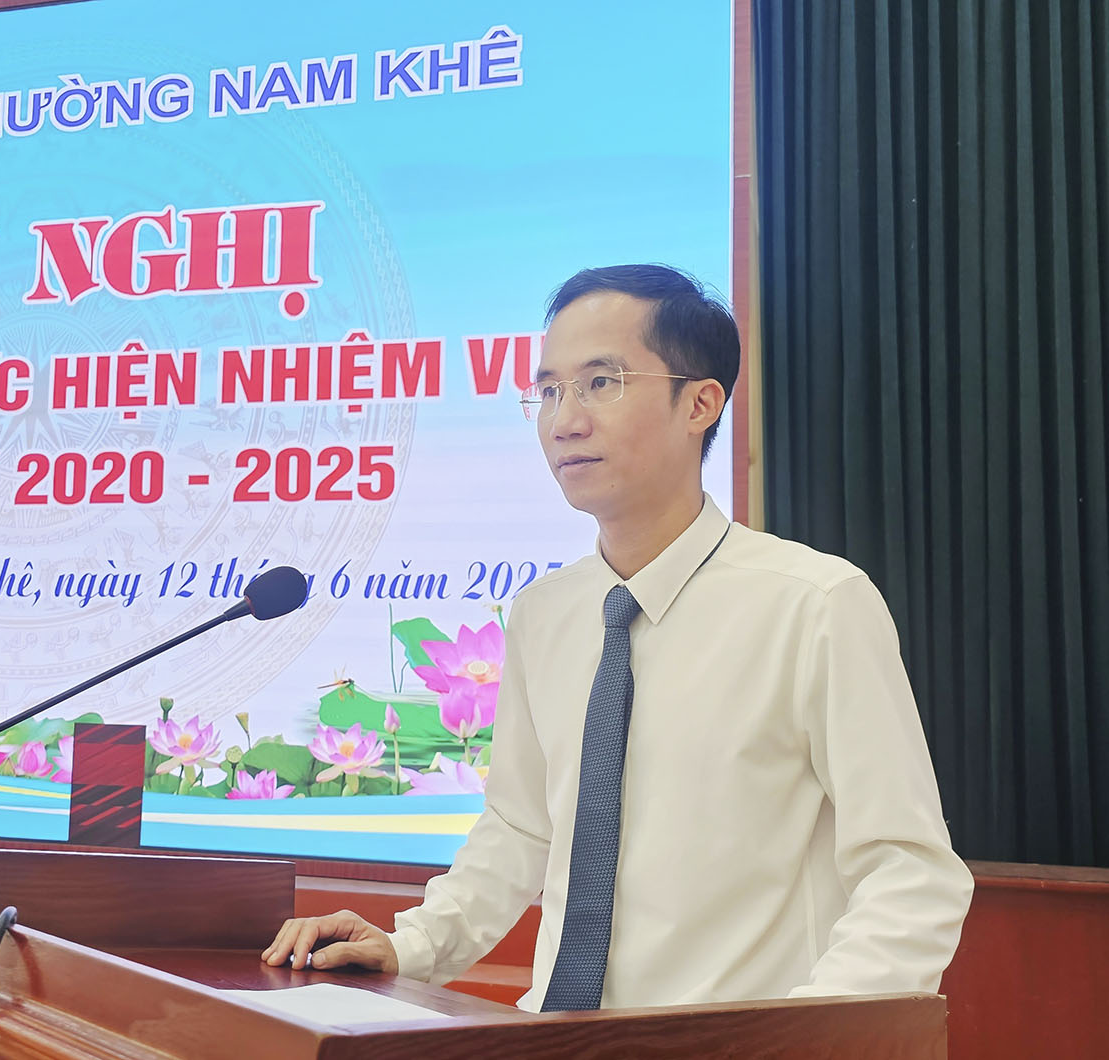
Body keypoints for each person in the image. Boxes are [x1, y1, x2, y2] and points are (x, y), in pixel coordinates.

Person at [261, 264, 974, 1010]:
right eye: (548, 391)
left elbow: (911, 871)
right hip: (553, 1036)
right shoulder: (545, 613)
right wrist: (411, 946)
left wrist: (806, 1037)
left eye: (601, 383)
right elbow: (520, 828)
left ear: (700, 403)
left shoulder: (813, 605)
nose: (564, 420)